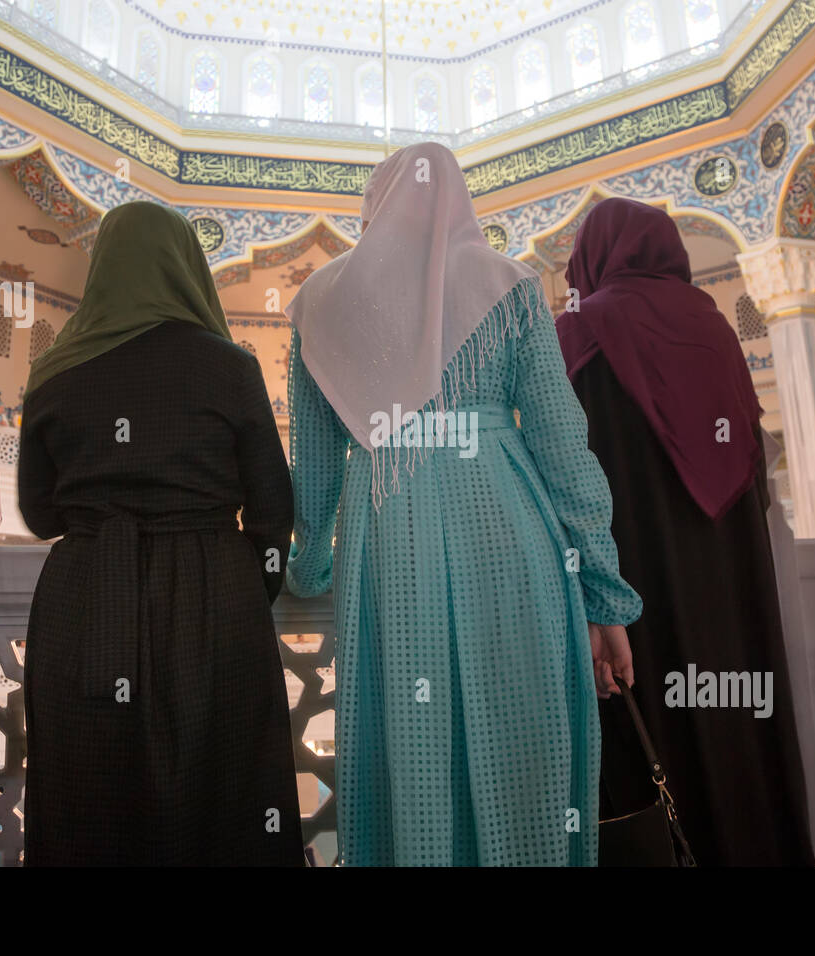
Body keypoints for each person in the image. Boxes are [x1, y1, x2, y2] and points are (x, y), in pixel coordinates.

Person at [285, 143, 641, 866]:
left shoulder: (320, 303)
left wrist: (309, 569)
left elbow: (317, 470)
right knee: (521, 736)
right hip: (510, 530)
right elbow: (564, 447)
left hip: (387, 545)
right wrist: (603, 592)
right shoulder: (507, 285)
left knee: (405, 747)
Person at [17, 201, 302, 866]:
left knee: (91, 797)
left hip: (84, 601)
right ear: (185, 266)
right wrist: (233, 592)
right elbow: (271, 511)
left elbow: (37, 513)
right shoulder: (230, 367)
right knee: (223, 798)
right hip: (211, 601)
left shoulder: (53, 371)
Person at [556, 197, 815, 866]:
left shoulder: (578, 331)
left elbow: (562, 474)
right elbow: (753, 466)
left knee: (649, 752)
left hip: (629, 595)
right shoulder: (714, 327)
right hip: (730, 586)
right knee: (737, 735)